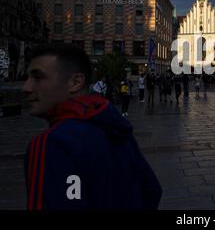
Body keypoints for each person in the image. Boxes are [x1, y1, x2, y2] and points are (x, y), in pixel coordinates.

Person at [21, 44, 161, 210]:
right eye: (27, 78)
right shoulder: (118, 129)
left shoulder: (52, 143)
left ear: (76, 82)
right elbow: (152, 190)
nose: (26, 88)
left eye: (38, 77)